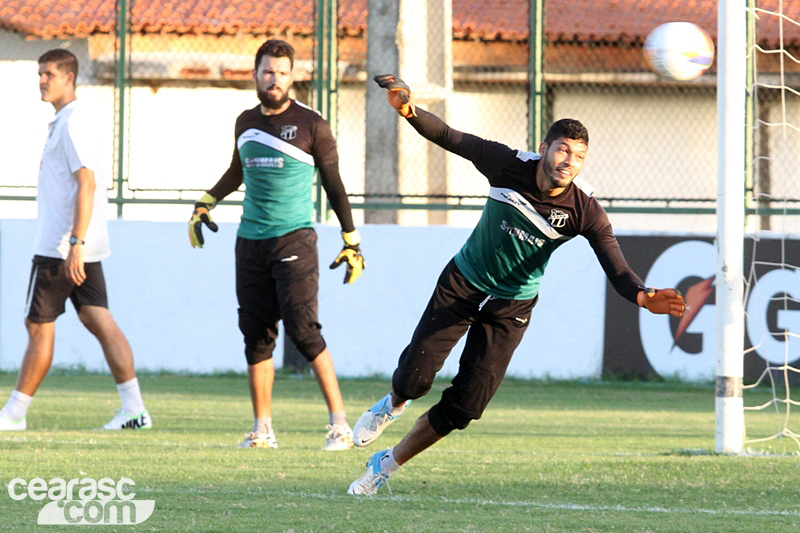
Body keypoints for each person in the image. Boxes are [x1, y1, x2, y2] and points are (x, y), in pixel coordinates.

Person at [347, 75, 686, 495]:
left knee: (466, 407)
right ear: (544, 148)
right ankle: (392, 405)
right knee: (415, 380)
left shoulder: (586, 210)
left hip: (512, 306)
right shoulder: (508, 165)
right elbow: (452, 137)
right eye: (563, 149)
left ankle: (385, 464)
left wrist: (641, 294)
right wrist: (409, 110)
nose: (569, 160)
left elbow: (616, 266)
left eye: (579, 156)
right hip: (463, 282)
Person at [189, 39, 365, 451]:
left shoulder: (312, 125)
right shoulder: (245, 122)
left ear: (292, 77)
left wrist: (352, 239)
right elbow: (238, 170)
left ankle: (340, 426)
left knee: (304, 332)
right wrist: (206, 202)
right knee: (256, 336)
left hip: (295, 240)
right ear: (255, 73)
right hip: (250, 242)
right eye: (268, 71)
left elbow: (334, 186)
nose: (275, 80)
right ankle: (262, 430)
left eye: (283, 73)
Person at [0, 49, 151, 431]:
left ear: (69, 78)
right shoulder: (66, 120)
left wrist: (75, 243)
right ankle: (135, 411)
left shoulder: (73, 122)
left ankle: (14, 415)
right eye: (39, 74)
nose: (42, 80)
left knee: (38, 326)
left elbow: (87, 182)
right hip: (79, 243)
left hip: (61, 247)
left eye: (49, 74)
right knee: (98, 318)